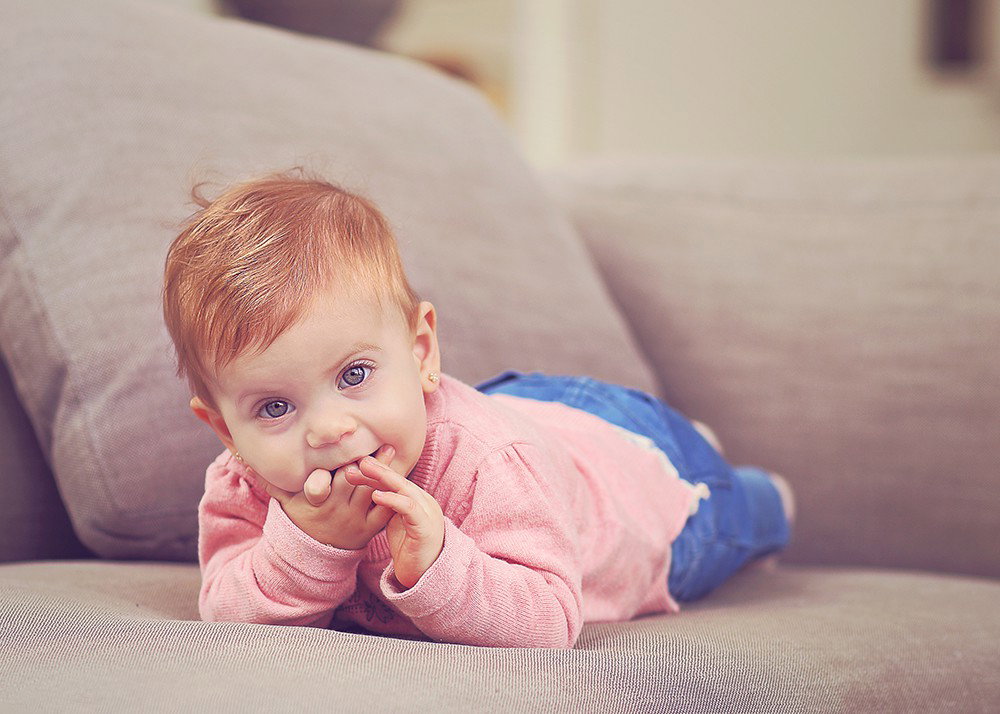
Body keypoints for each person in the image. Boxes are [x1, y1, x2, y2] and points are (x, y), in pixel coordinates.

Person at [162, 170, 794, 649]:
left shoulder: (483, 461)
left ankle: (738, 482)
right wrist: (308, 548)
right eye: (275, 407)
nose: (328, 429)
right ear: (224, 429)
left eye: (354, 374)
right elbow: (227, 613)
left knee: (736, 513)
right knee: (540, 441)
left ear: (421, 351)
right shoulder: (244, 483)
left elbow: (548, 619)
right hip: (534, 426)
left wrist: (438, 566)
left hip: (640, 488)